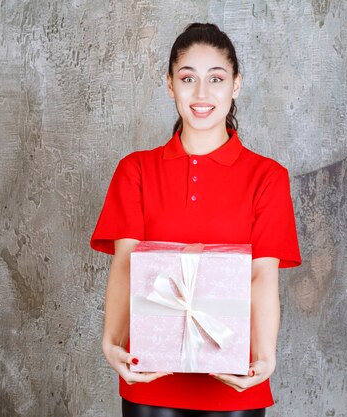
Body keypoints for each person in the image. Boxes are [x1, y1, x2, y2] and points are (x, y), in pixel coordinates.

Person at [90, 23, 302, 417]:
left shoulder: (268, 177)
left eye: (216, 79)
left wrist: (266, 357)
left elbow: (263, 275)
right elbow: (126, 264)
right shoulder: (135, 170)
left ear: (235, 85)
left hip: (234, 383)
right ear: (170, 85)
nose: (201, 94)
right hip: (151, 381)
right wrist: (111, 342)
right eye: (188, 78)